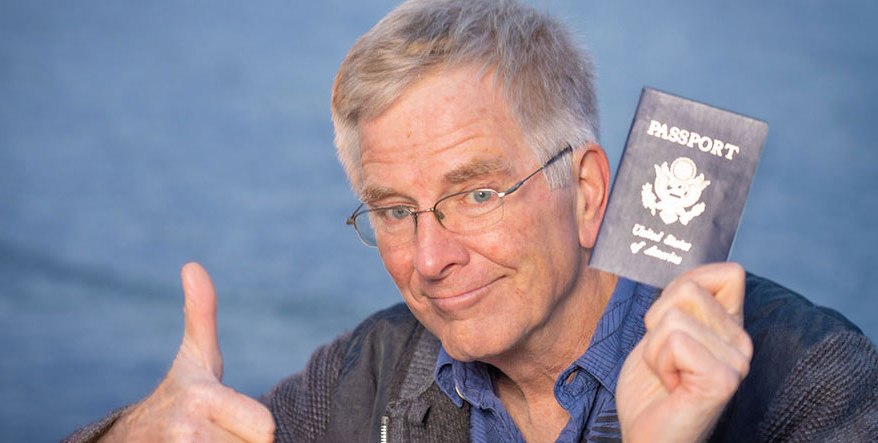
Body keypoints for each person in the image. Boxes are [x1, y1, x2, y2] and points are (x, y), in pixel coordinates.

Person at [67, 0, 878, 441]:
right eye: (393, 209)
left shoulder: (811, 381)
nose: (428, 257)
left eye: (478, 193)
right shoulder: (368, 377)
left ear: (589, 191)